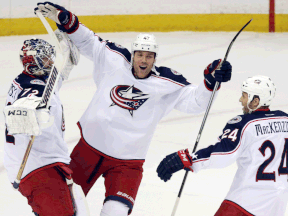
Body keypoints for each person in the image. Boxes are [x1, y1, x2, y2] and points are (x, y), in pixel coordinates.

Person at [35, 2, 232, 215]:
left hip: (127, 164)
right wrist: (67, 21)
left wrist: (211, 82)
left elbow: (197, 101)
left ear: (155, 58)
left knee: (115, 213)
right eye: (140, 54)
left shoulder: (167, 82)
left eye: (149, 56)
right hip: (88, 151)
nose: (144, 60)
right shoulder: (114, 58)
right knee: (60, 206)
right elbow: (89, 41)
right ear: (133, 54)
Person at [157, 75, 288, 216]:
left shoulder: (244, 123)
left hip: (244, 205)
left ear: (255, 101)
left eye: (244, 96)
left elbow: (223, 154)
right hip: (276, 207)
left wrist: (188, 158)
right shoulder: (285, 119)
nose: (241, 100)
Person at [3, 38, 88, 216]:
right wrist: (31, 110)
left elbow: (58, 77)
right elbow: (21, 109)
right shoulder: (32, 87)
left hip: (40, 165)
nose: (51, 61)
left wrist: (66, 51)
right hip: (38, 167)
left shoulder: (35, 79)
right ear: (34, 61)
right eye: (47, 58)